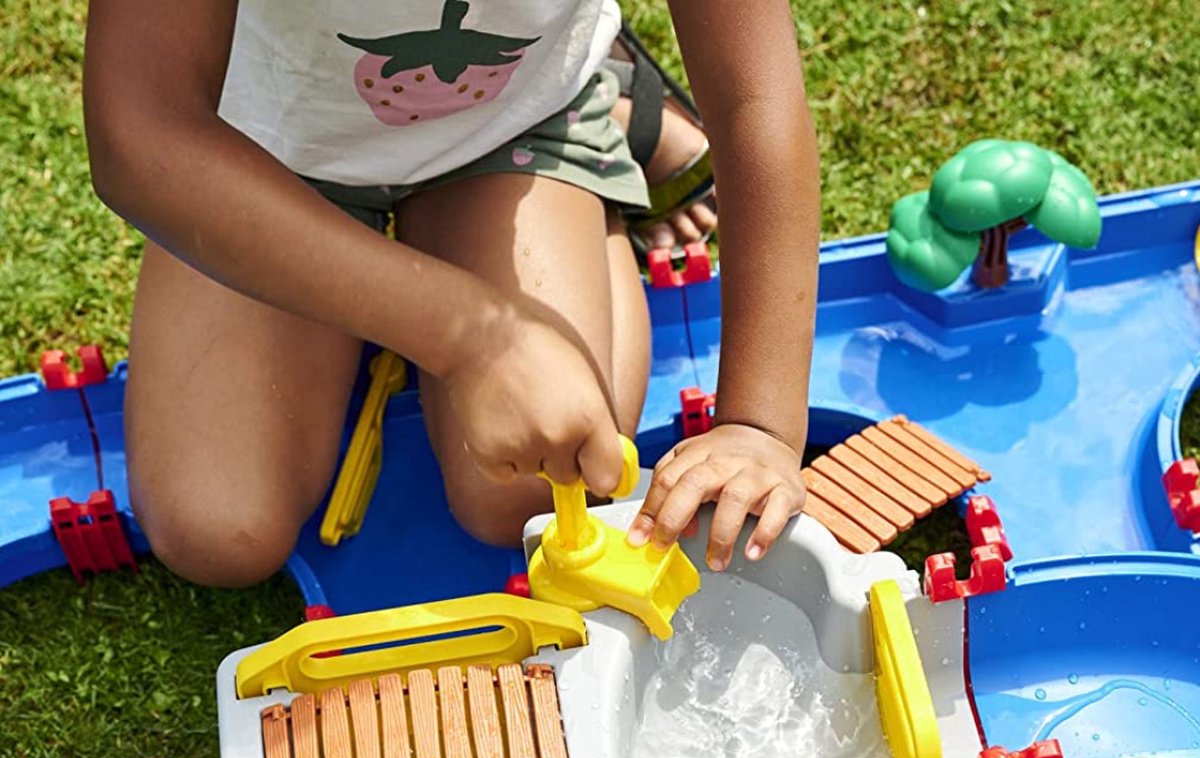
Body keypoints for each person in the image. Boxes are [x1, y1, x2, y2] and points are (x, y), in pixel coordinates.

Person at [83, 0, 816, 588]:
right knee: (218, 528)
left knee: (528, 486)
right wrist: (475, 337)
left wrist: (757, 426)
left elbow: (756, 98)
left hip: (516, 115)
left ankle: (605, 92)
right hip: (262, 145)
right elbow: (142, 133)